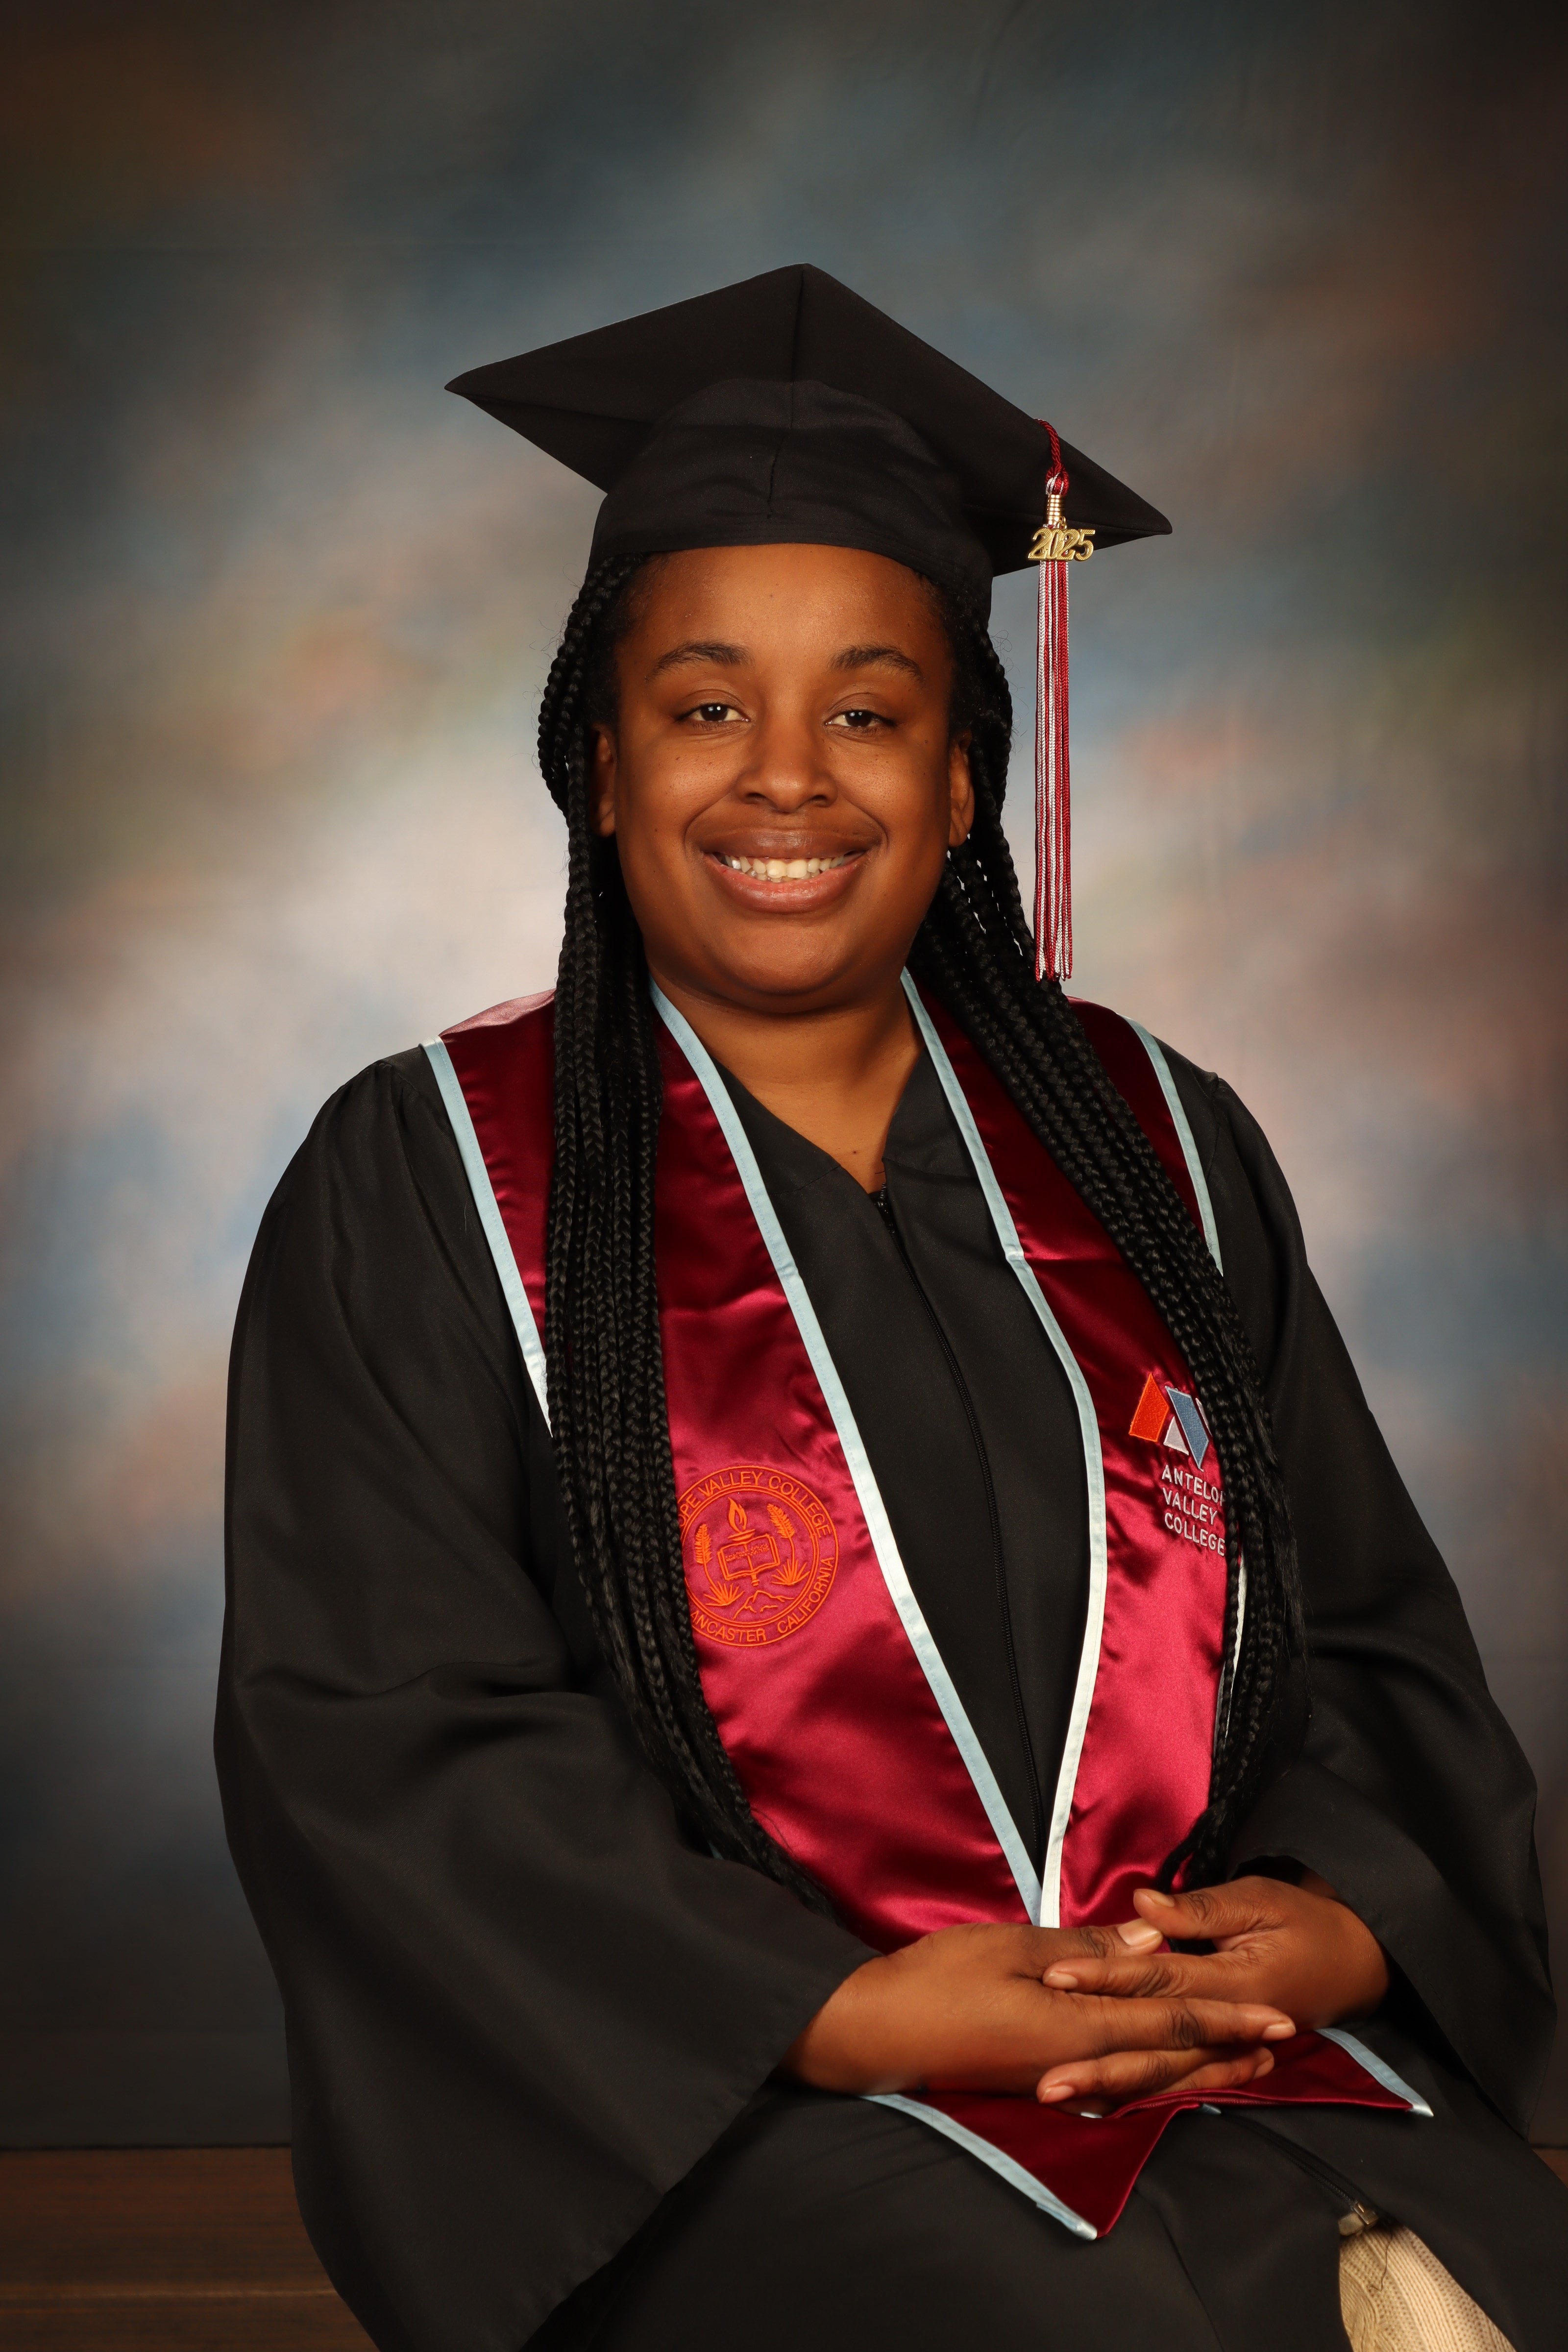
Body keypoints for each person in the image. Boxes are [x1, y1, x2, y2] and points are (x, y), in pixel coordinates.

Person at [216, 266, 1565, 2352]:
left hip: (1217, 2046)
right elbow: (391, 1741)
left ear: (957, 781)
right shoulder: (430, 1181)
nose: (787, 780)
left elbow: (1362, 1632)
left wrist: (1328, 1926)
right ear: (596, 762)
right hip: (734, 2106)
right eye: (703, 707)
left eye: (867, 711)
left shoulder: (1153, 1143)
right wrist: (831, 2007)